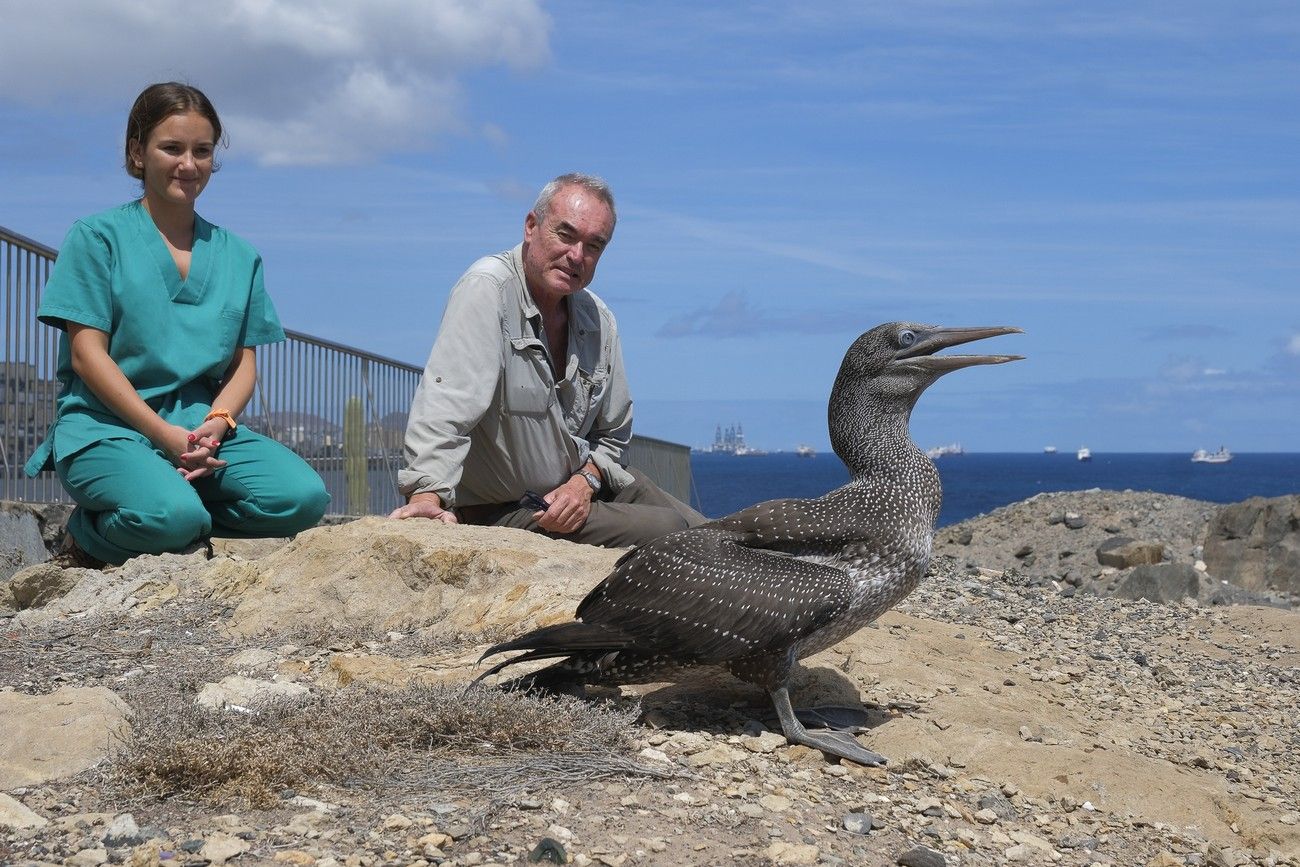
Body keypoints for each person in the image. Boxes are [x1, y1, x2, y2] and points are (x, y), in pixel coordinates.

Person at [24, 82, 330, 566]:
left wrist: (217, 422)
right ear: (137, 153)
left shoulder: (240, 256)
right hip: (106, 428)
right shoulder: (96, 238)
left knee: (302, 499)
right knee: (172, 517)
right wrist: (164, 437)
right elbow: (86, 354)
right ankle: (88, 536)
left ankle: (180, 509)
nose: (189, 164)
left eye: (202, 151)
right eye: (172, 148)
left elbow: (242, 364)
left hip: (198, 429)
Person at [391, 173, 704, 546]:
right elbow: (446, 406)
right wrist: (427, 494)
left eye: (594, 246)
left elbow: (614, 436)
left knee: (718, 532)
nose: (577, 256)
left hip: (578, 487)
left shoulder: (598, 318)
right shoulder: (488, 289)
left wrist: (584, 482)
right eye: (566, 235)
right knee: (670, 530)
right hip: (509, 508)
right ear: (531, 226)